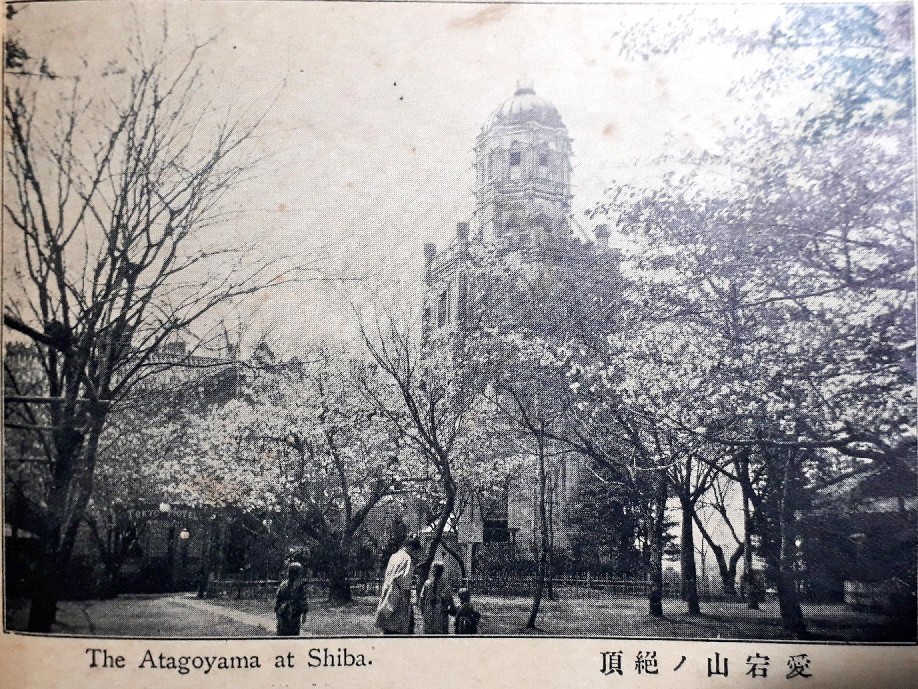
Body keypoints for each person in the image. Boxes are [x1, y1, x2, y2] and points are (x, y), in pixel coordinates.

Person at [375, 534, 422, 635]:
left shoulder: (394, 556)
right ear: (411, 548)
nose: (416, 555)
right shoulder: (407, 559)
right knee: (399, 632)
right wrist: (407, 604)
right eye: (416, 552)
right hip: (399, 601)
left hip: (388, 595)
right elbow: (405, 583)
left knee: (387, 628)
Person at [419, 561, 455, 635]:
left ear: (432, 571)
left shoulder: (427, 584)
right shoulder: (446, 586)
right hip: (441, 617)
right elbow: (451, 602)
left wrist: (423, 611)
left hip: (429, 615)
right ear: (442, 571)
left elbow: (421, 600)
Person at [274, 562, 309, 636]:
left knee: (291, 634)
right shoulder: (285, 586)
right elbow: (278, 600)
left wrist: (304, 613)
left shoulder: (298, 586)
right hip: (285, 614)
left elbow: (303, 600)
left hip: (293, 615)